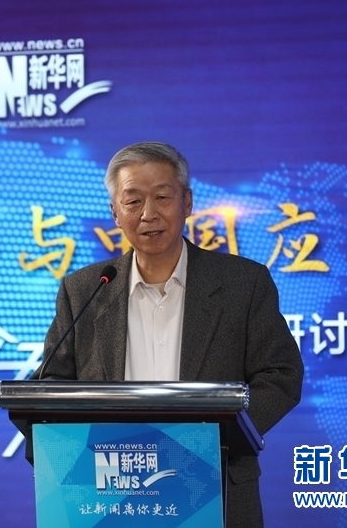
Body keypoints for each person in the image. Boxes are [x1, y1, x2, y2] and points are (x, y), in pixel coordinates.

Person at [39, 142, 303, 528]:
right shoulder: (85, 290)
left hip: (214, 487)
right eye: (133, 201)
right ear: (115, 213)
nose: (149, 214)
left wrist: (219, 439)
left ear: (187, 202)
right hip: (110, 493)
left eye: (162, 196)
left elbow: (281, 375)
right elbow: (52, 385)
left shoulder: (242, 283)